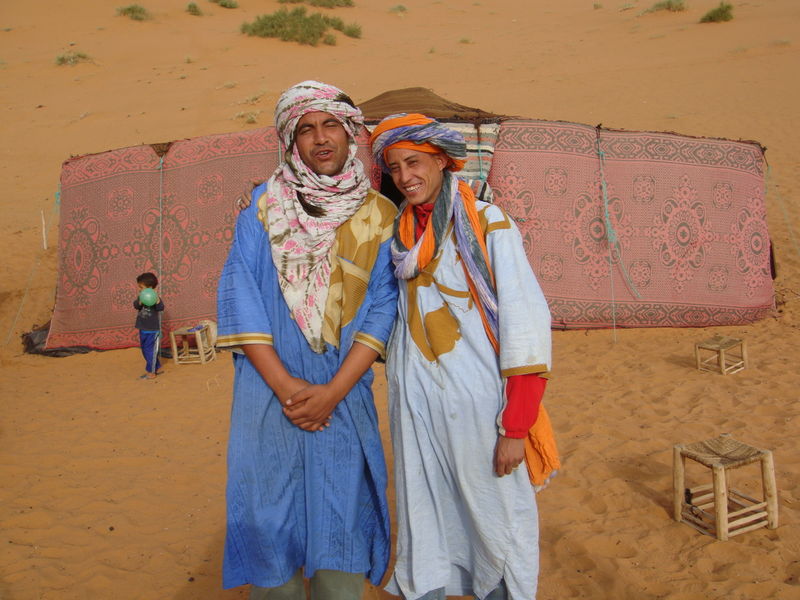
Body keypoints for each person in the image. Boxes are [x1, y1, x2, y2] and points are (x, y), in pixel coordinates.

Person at [216, 81, 398, 599]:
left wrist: (331, 392)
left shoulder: (380, 215)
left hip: (343, 396)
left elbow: (382, 308)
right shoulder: (262, 208)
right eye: (306, 129)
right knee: (270, 520)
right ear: (290, 141)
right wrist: (289, 388)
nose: (321, 139)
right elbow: (241, 298)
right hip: (268, 397)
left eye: (330, 125)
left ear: (349, 132)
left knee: (341, 520)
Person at [369, 114, 559, 600]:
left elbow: (525, 326)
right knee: (425, 518)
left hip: (481, 412)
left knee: (496, 524)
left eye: (414, 162)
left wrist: (515, 428)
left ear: (441, 160)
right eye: (394, 167)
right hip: (417, 410)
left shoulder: (489, 223)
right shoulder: (398, 236)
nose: (405, 176)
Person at [133, 271, 164, 380]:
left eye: (141, 287)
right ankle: (156, 366)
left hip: (153, 330)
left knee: (150, 351)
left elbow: (161, 308)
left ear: (150, 287)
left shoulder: (155, 297)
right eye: (139, 287)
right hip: (143, 328)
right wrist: (140, 302)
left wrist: (157, 300)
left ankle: (151, 372)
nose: (139, 289)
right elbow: (136, 305)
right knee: (145, 350)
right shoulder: (141, 297)